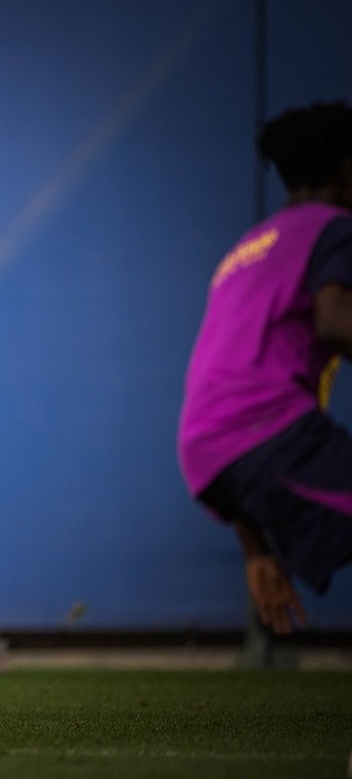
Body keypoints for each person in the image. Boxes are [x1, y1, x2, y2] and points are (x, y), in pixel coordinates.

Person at [178, 100, 352, 636]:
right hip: (266, 431)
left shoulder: (249, 247)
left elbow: (221, 418)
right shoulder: (337, 229)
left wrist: (255, 550)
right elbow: (335, 322)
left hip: (206, 451)